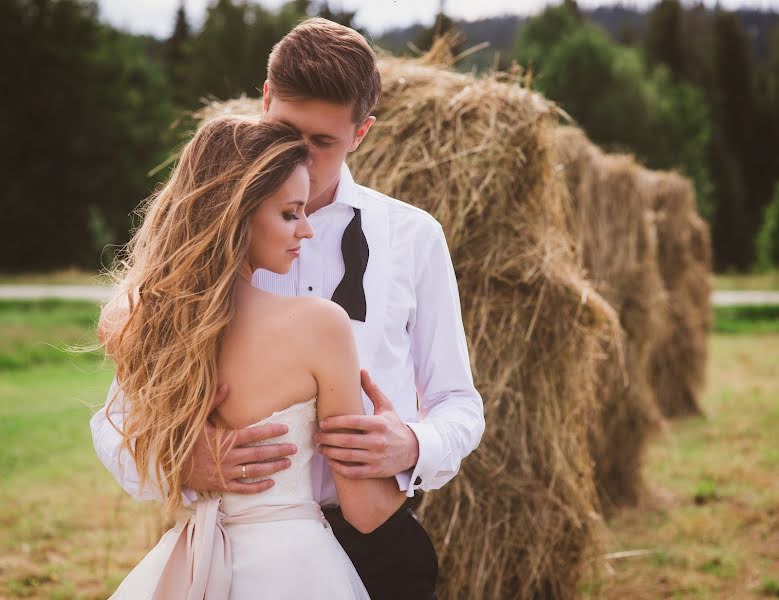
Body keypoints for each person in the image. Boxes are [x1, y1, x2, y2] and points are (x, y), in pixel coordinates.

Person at [92, 18, 485, 600]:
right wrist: (176, 462)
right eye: (285, 129)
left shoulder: (413, 237)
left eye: (323, 141)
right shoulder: (193, 261)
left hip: (370, 539)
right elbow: (115, 421)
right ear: (266, 99)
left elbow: (459, 402)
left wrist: (414, 445)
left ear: (362, 133)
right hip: (229, 544)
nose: (298, 153)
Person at [102, 115, 403, 598]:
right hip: (294, 569)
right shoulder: (320, 326)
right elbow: (365, 511)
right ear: (236, 214)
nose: (307, 230)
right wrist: (398, 445)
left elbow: (121, 435)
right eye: (290, 213)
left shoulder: (140, 325)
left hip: (190, 558)